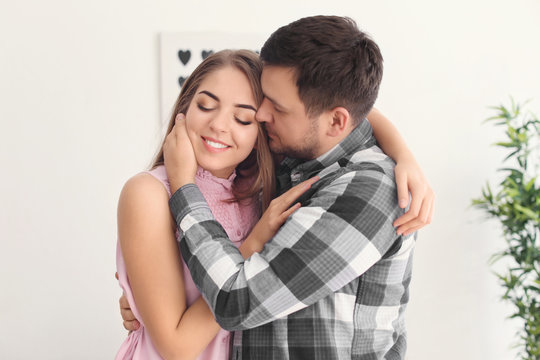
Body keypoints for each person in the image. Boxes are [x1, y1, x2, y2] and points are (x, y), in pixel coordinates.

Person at [156, 15, 430, 359]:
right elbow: (357, 110)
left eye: (278, 108)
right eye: (264, 99)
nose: (260, 114)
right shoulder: (292, 152)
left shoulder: (369, 192)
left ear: (335, 121)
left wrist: (183, 188)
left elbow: (234, 301)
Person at [115, 49, 319, 359]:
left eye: (242, 117)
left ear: (263, 129)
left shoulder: (263, 193)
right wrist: (253, 244)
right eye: (206, 105)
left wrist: (404, 157)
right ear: (185, 108)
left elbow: (339, 110)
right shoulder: (149, 193)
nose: (219, 125)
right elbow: (176, 347)